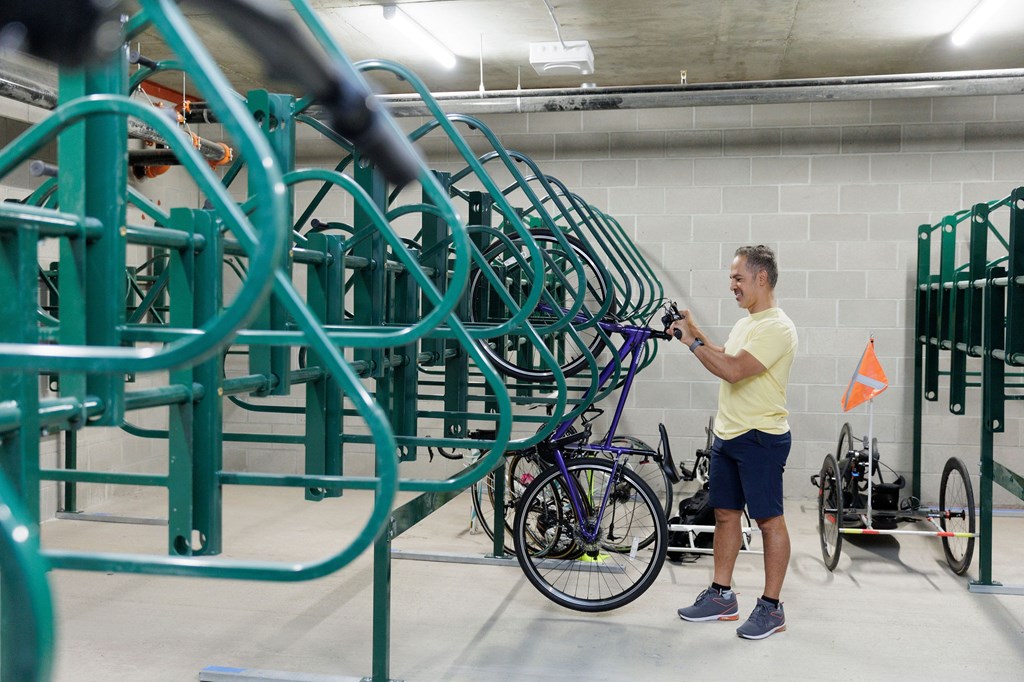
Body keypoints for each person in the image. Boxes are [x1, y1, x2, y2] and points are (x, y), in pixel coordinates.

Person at [669, 244, 797, 641]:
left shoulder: (777, 327)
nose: (733, 286)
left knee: (768, 521)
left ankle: (771, 608)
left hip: (760, 438)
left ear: (762, 278)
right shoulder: (748, 322)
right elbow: (726, 353)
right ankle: (722, 595)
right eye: (732, 278)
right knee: (725, 514)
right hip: (728, 434)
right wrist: (695, 334)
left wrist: (692, 344)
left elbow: (735, 370)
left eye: (738, 278)